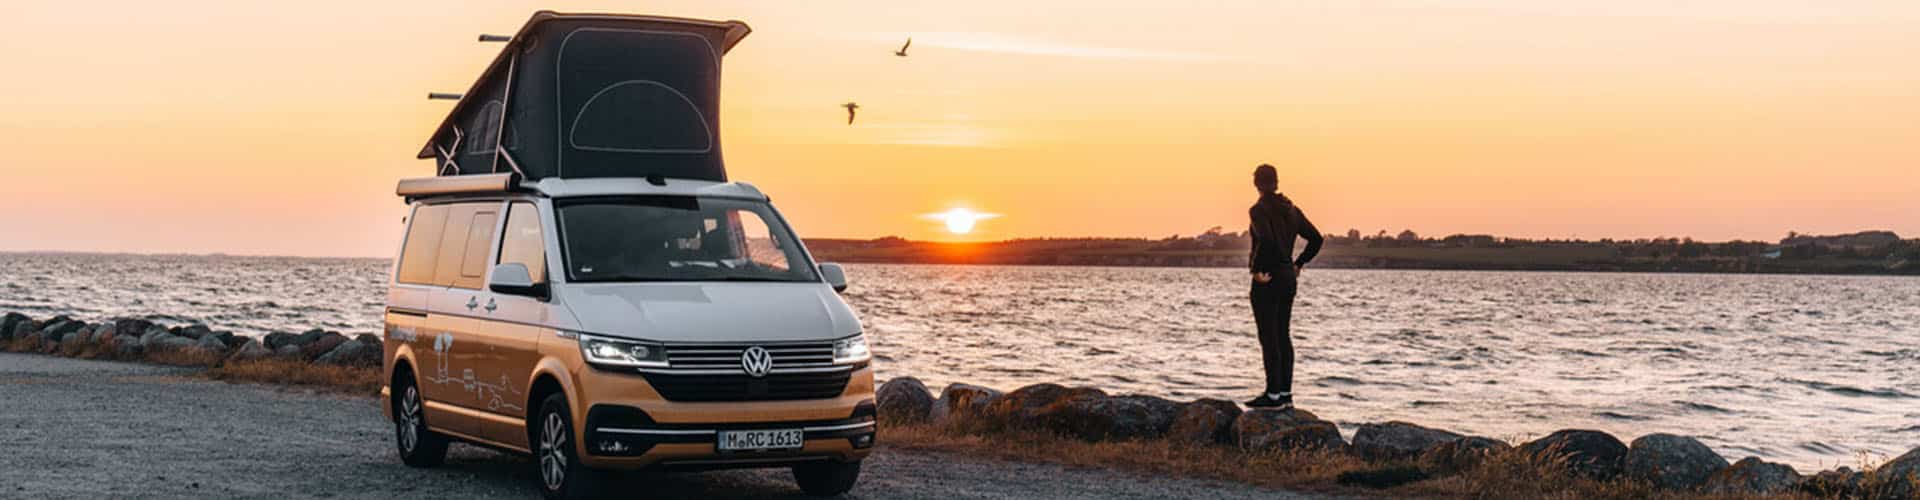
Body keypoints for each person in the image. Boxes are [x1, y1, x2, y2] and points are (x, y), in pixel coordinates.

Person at [1245, 163, 1322, 410]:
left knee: (1269, 337)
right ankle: (1285, 394)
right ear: (1276, 182)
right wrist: (1298, 264)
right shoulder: (1292, 209)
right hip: (1288, 277)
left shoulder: (1258, 210)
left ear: (1256, 183)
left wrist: (1256, 270)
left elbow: (1265, 240)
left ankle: (1272, 395)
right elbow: (1316, 238)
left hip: (1268, 277)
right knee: (1283, 335)